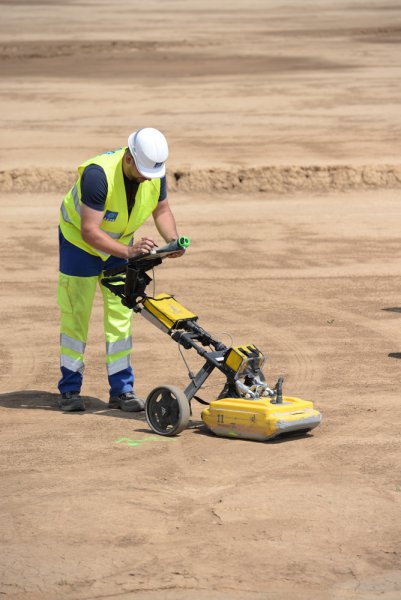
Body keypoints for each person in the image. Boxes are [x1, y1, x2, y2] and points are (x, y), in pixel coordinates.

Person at [57, 127, 183, 412]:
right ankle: (69, 390)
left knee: (120, 317)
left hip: (120, 246)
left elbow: (161, 210)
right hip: (80, 246)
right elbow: (89, 231)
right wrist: (128, 252)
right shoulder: (97, 175)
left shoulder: (153, 172)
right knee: (76, 316)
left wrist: (171, 240)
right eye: (142, 171)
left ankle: (122, 391)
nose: (146, 178)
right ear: (128, 157)